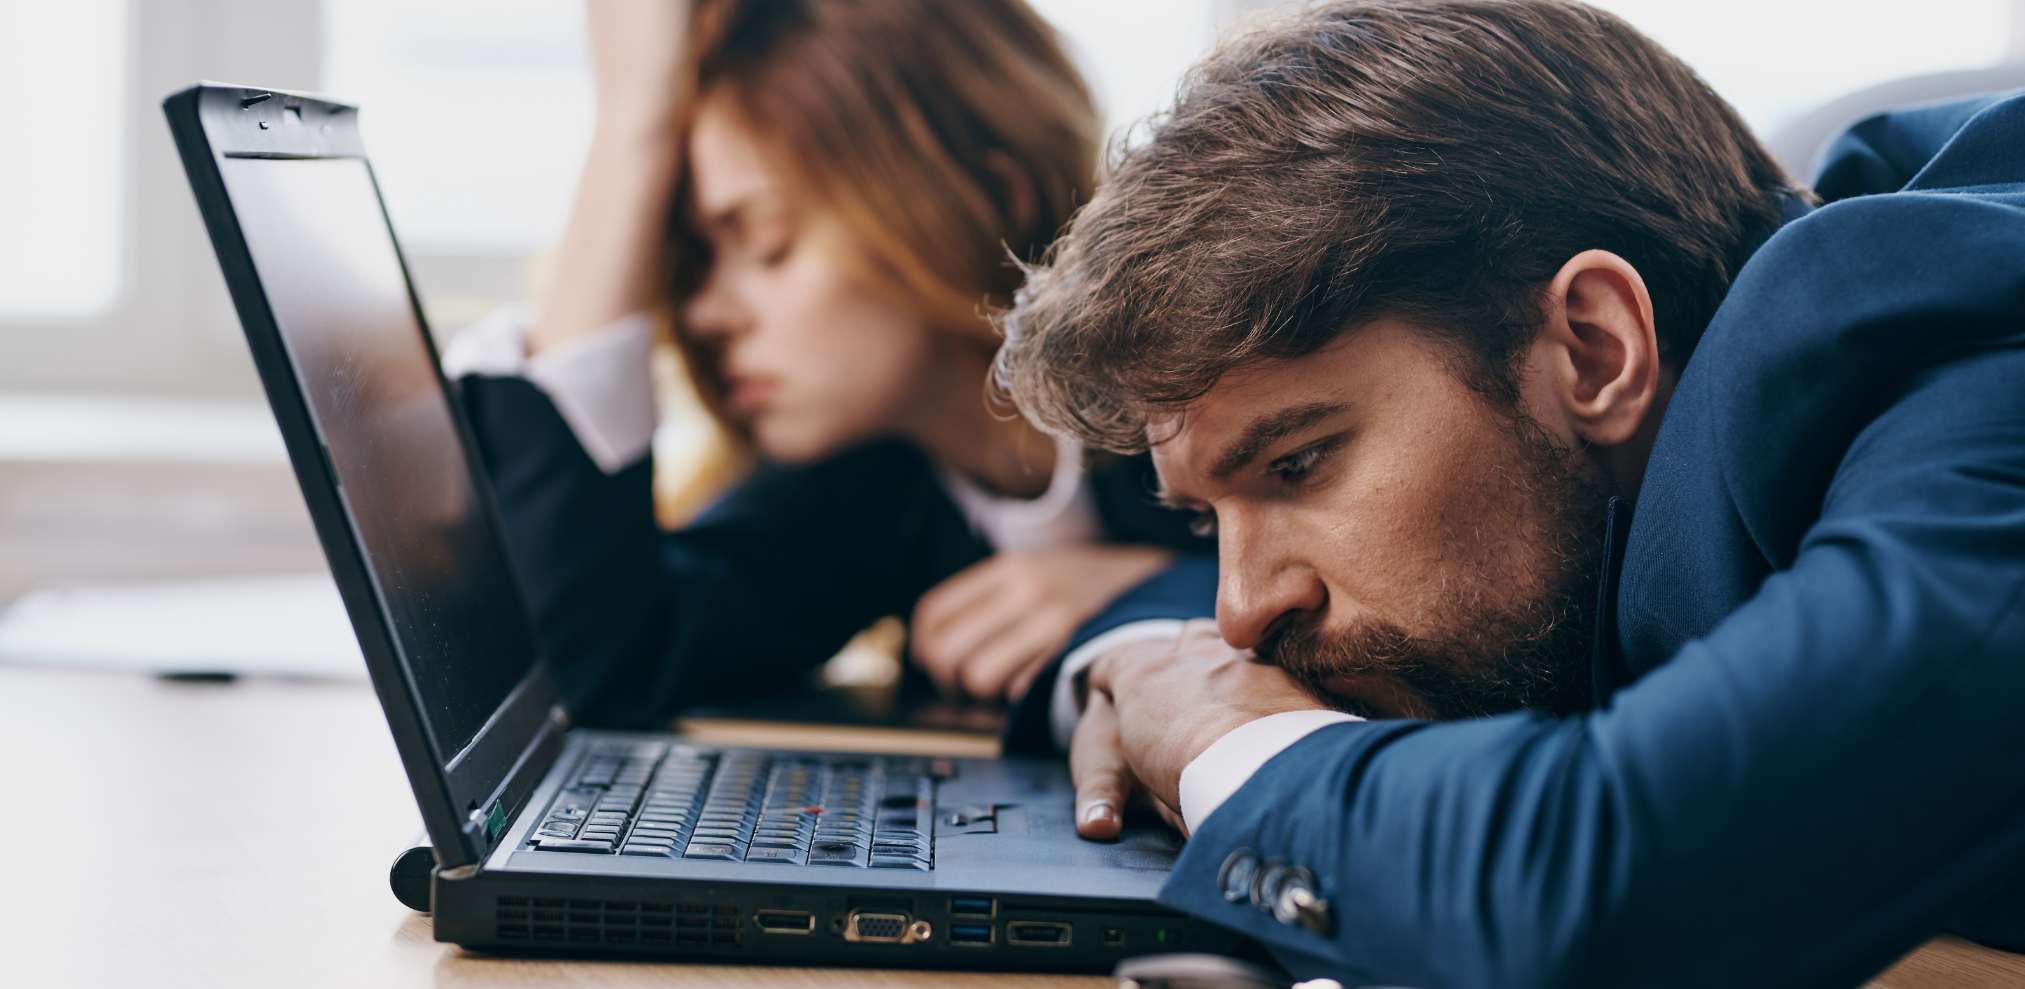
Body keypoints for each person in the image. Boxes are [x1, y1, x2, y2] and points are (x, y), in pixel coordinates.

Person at [995, 1, 2025, 985]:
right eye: (1207, 517)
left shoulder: (1976, 363)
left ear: (1592, 348)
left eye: (1299, 464)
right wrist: (1138, 665)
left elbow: (1607, 895)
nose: (1237, 611)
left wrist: (1228, 741)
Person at [442, 0, 1213, 728]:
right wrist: (628, 128)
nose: (704, 314)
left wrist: (1151, 599)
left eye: (767, 242)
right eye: (699, 261)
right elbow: (586, 666)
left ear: (985, 199)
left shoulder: (1209, 389)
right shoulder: (862, 496)